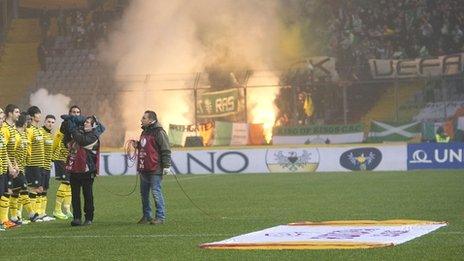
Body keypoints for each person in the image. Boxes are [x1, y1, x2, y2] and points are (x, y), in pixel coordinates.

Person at [135, 110, 172, 225]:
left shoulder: (159, 132)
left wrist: (166, 166)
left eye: (144, 118)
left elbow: (165, 149)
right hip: (144, 167)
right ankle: (147, 216)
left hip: (155, 167)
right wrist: (137, 145)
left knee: (156, 191)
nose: (141, 120)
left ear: (151, 120)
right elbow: (145, 147)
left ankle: (160, 217)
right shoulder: (144, 132)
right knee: (144, 193)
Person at [65, 116, 101, 226]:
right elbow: (67, 143)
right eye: (85, 121)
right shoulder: (78, 133)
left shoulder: (93, 136)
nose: (86, 123)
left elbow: (82, 140)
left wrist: (73, 130)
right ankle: (77, 218)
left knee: (88, 195)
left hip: (87, 170)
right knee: (75, 195)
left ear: (93, 125)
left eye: (88, 122)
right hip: (74, 169)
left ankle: (89, 218)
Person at [53, 105, 81, 220]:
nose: (75, 114)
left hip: (70, 157)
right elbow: (64, 133)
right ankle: (57, 210)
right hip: (62, 157)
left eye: (78, 112)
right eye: (73, 112)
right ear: (69, 113)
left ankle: (67, 209)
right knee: (65, 182)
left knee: (70, 184)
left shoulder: (79, 125)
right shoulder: (66, 123)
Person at [25, 106, 45, 222]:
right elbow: (28, 146)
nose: (39, 115)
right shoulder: (30, 130)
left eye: (39, 113)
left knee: (39, 189)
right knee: (34, 189)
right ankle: (32, 215)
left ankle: (37, 213)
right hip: (33, 164)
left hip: (40, 163)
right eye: (37, 113)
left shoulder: (38, 130)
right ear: (32, 116)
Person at [37, 115, 56, 221]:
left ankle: (42, 213)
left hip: (47, 166)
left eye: (53, 122)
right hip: (40, 166)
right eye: (49, 121)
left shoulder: (50, 135)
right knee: (38, 189)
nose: (50, 124)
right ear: (44, 122)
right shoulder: (40, 132)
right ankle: (37, 213)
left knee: (44, 189)